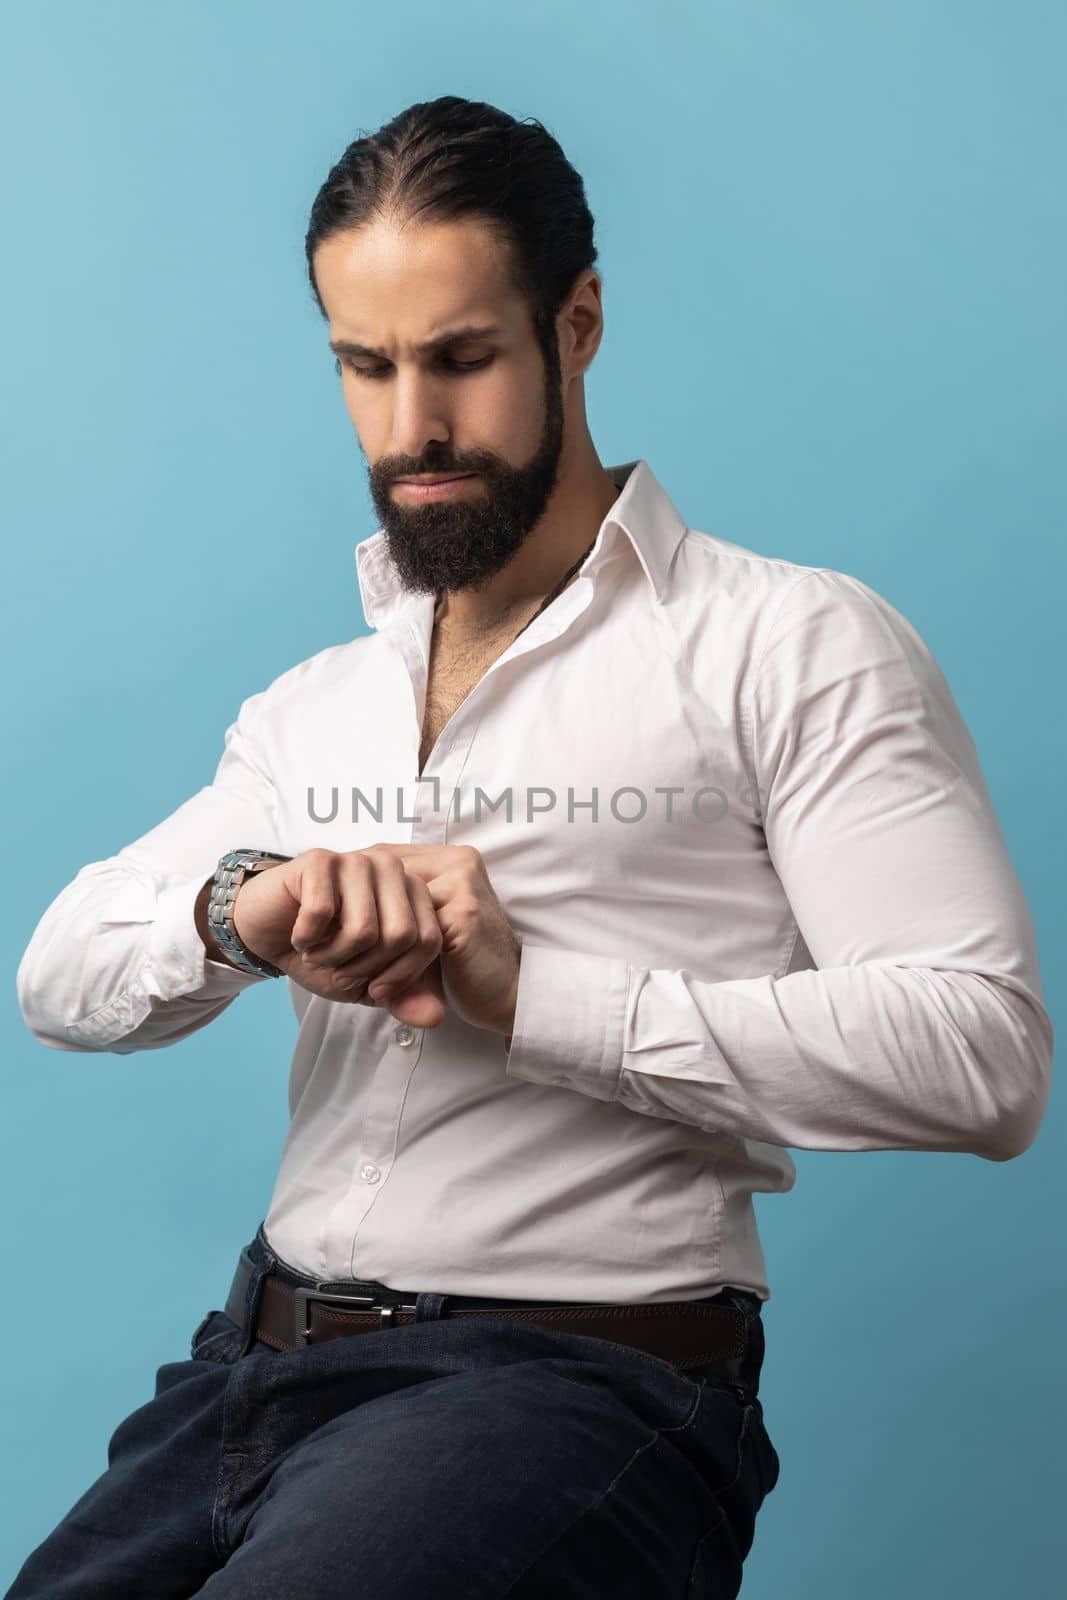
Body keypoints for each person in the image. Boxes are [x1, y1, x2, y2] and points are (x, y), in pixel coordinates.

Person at [9, 93, 1052, 1599]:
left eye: (461, 358)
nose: (411, 425)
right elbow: (60, 971)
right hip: (243, 1376)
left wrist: (528, 990)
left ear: (578, 323)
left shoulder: (793, 645)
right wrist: (254, 910)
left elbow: (984, 1053)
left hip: (569, 1388)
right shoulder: (319, 707)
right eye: (364, 368)